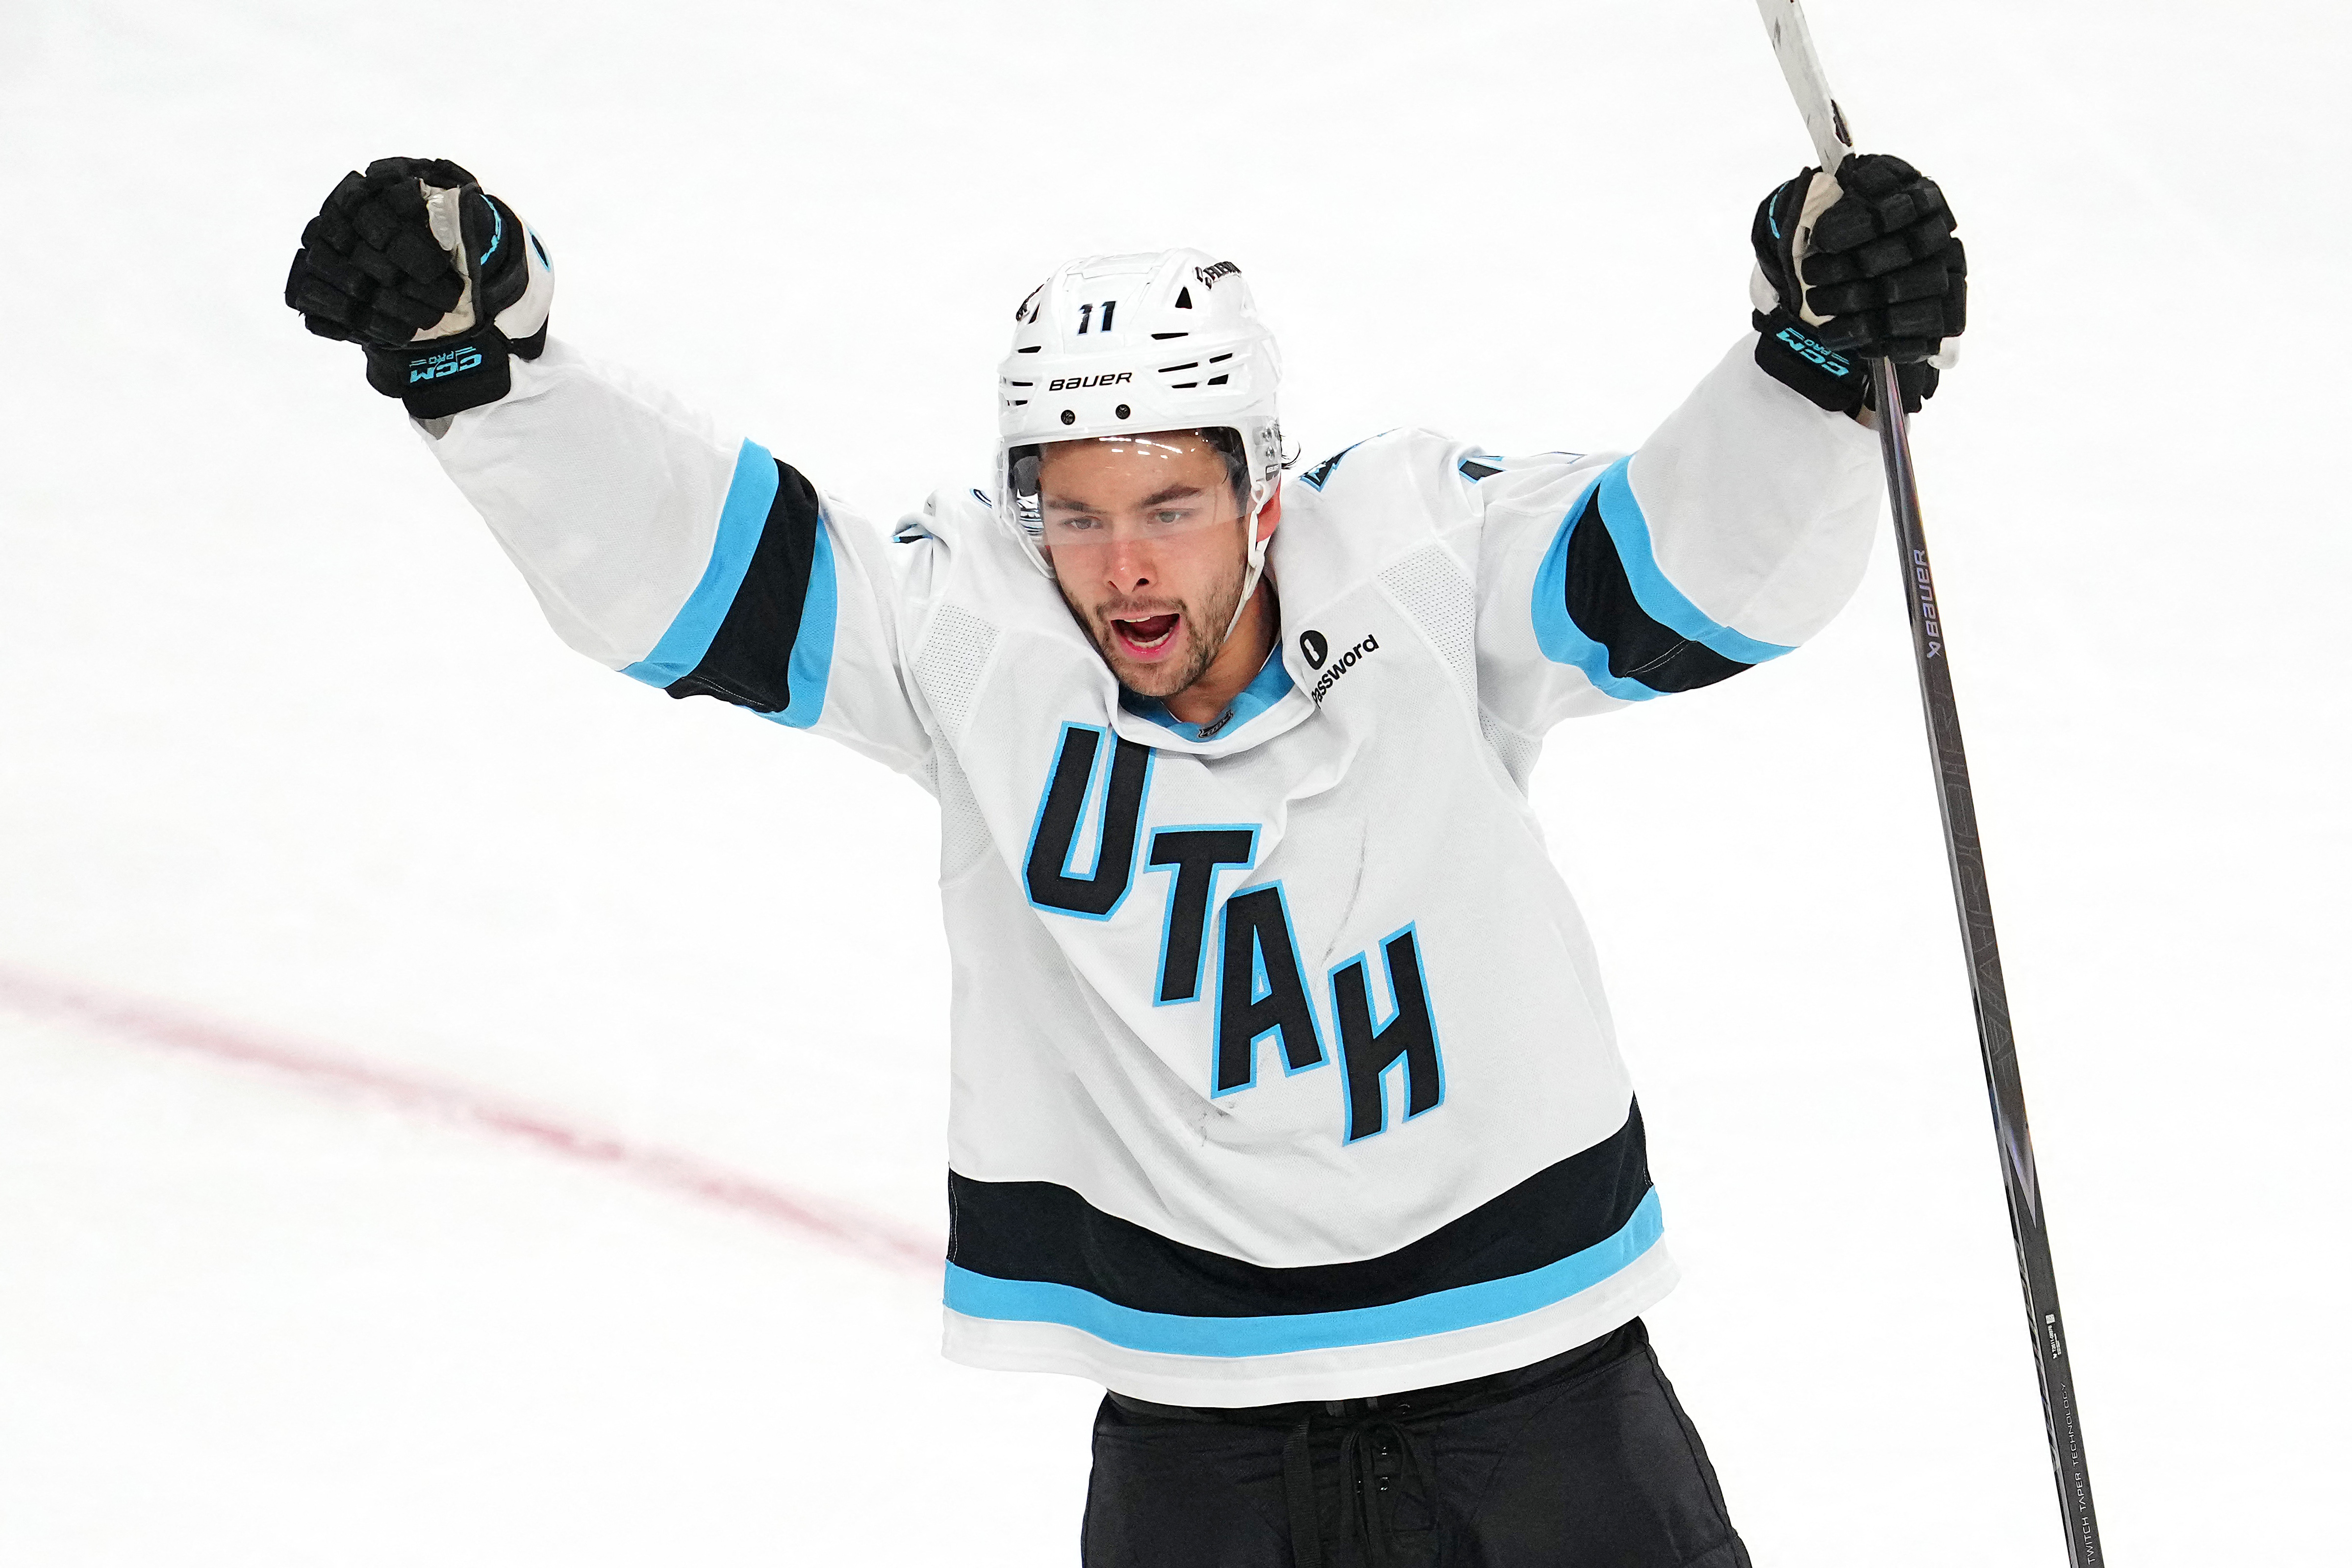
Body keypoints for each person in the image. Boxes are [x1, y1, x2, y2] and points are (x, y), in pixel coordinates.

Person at [283, 152, 1966, 1566]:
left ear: (1263, 491)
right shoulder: (972, 631)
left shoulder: (1423, 557)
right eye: (1074, 514)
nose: (1122, 567)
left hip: (1545, 1399)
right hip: (1199, 1440)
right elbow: (699, 568)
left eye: (1169, 506)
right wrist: (485, 370)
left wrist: (1810, 374)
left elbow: (1674, 576)